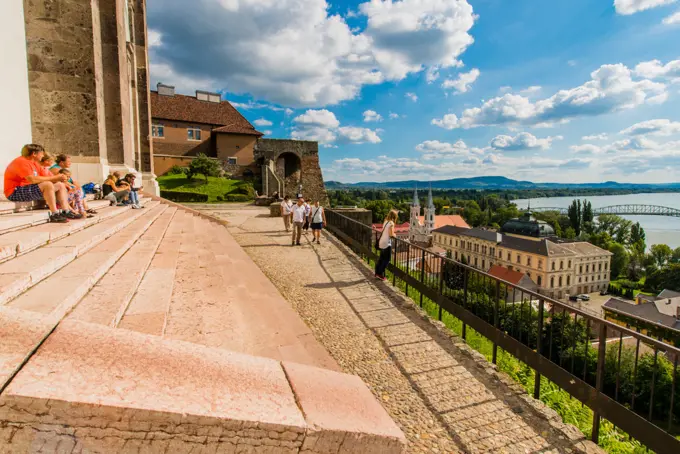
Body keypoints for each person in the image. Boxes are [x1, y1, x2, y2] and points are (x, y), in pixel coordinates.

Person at [4, 144, 72, 223]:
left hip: (28, 189)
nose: (43, 155)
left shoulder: (35, 163)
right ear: (34, 154)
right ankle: (54, 214)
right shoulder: (21, 161)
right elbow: (32, 179)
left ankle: (66, 211)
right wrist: (55, 178)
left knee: (60, 185)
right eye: (42, 153)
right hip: (14, 192)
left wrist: (62, 179)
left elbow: (48, 176)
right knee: (47, 184)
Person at [375, 210, 398, 281]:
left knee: (381, 258)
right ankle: (380, 274)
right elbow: (391, 234)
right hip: (386, 243)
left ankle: (377, 272)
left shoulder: (385, 221)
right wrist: (395, 235)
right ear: (394, 217)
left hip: (381, 242)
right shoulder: (391, 223)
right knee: (387, 259)